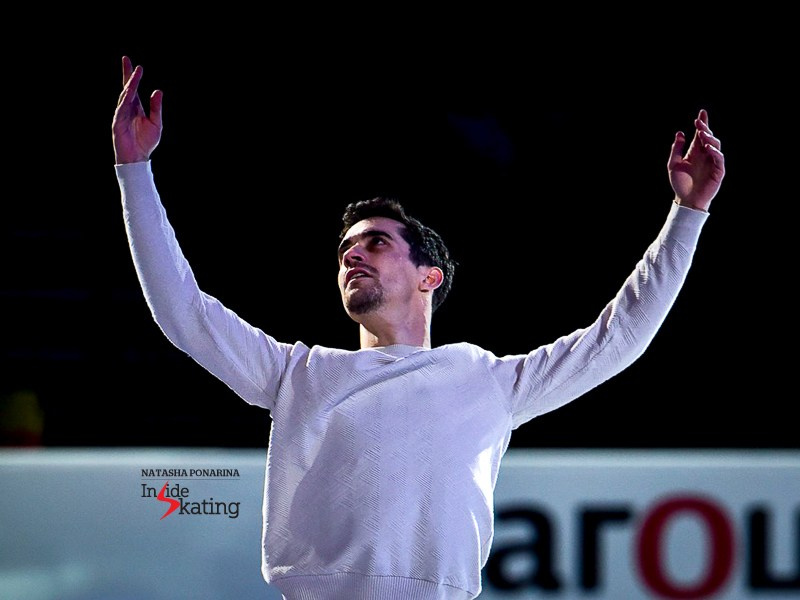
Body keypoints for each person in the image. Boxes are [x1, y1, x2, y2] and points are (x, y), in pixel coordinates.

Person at [112, 55, 725, 600]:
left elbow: (617, 338)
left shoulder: (488, 380)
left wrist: (688, 213)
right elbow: (184, 313)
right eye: (345, 250)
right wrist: (134, 170)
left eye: (374, 243)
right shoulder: (296, 374)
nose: (351, 255)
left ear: (429, 276)